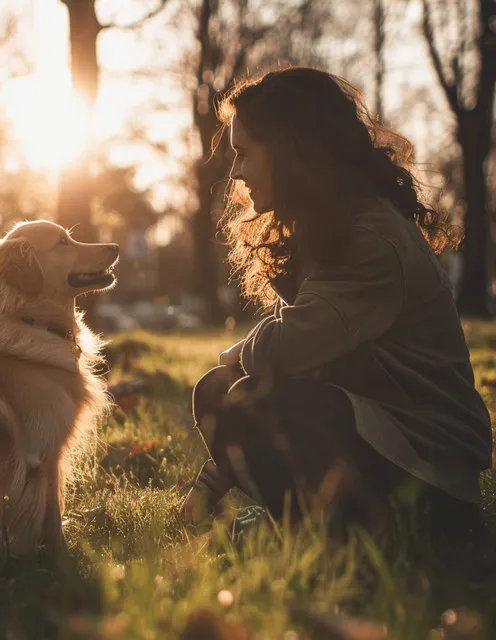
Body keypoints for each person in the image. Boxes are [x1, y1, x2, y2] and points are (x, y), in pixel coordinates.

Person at [179, 67, 492, 544]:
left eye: (243, 153)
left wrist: (238, 354)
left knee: (245, 397)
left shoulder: (371, 237)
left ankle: (324, 533)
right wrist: (211, 480)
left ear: (288, 150)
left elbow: (286, 350)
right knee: (221, 391)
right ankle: (303, 527)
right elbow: (300, 359)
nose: (236, 172)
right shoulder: (333, 225)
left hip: (431, 480)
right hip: (386, 440)